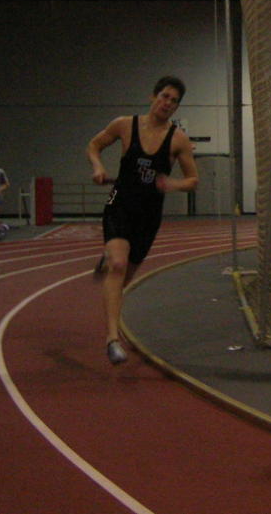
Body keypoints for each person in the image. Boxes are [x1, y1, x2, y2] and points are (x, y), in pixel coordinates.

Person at [87, 76, 198, 364]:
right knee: (118, 265)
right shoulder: (125, 125)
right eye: (164, 96)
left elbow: (192, 179)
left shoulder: (178, 139)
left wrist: (173, 185)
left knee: (125, 277)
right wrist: (98, 166)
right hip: (120, 205)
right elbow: (94, 145)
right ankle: (112, 338)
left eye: (174, 101)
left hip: (148, 216)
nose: (167, 103)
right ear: (153, 97)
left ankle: (108, 256)